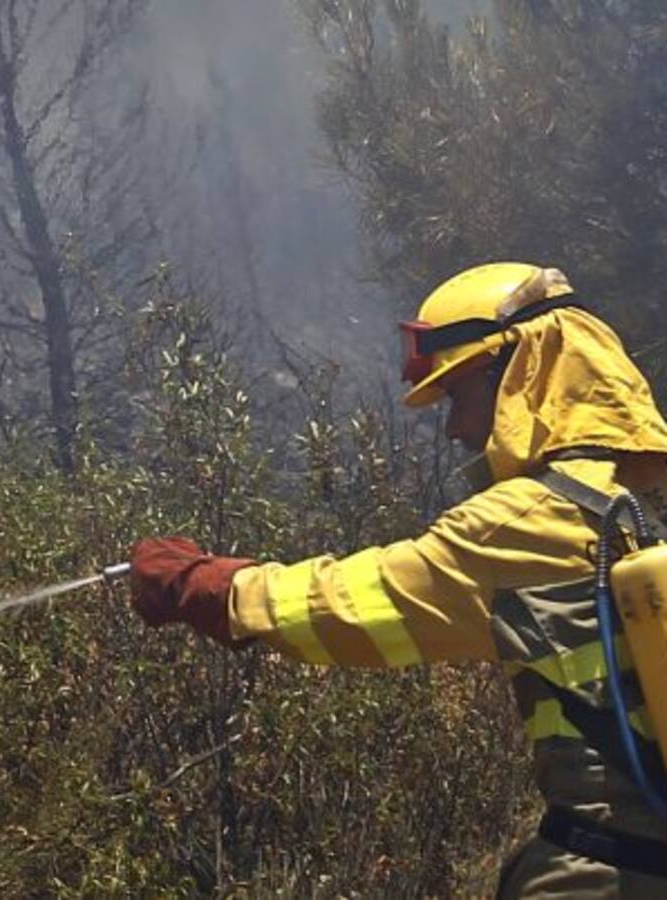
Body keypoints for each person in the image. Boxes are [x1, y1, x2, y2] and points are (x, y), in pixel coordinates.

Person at [128, 262, 667, 897]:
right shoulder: (643, 498)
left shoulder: (527, 520)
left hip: (610, 868)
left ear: (519, 371)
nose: (455, 428)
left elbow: (360, 607)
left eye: (459, 396)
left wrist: (210, 586)